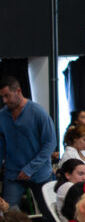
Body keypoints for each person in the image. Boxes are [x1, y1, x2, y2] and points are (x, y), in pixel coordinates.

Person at [0, 76, 58, 212]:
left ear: (18, 91)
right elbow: (1, 145)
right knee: (7, 212)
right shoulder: (2, 116)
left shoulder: (38, 112)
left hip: (39, 173)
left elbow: (50, 143)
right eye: (2, 97)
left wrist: (30, 168)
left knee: (50, 212)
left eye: (7, 96)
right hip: (13, 173)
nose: (4, 100)